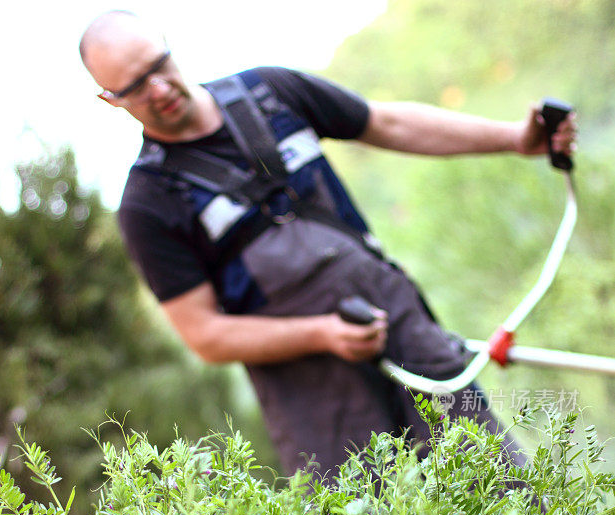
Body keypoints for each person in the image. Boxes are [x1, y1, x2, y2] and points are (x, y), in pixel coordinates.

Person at [79, 11, 576, 480]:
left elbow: (388, 123)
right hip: (313, 394)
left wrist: (516, 138)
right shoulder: (147, 203)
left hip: (400, 322)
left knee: (498, 483)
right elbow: (205, 335)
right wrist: (321, 334)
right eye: (137, 86)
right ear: (110, 99)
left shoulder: (271, 92)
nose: (160, 88)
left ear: (168, 45)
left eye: (160, 66)